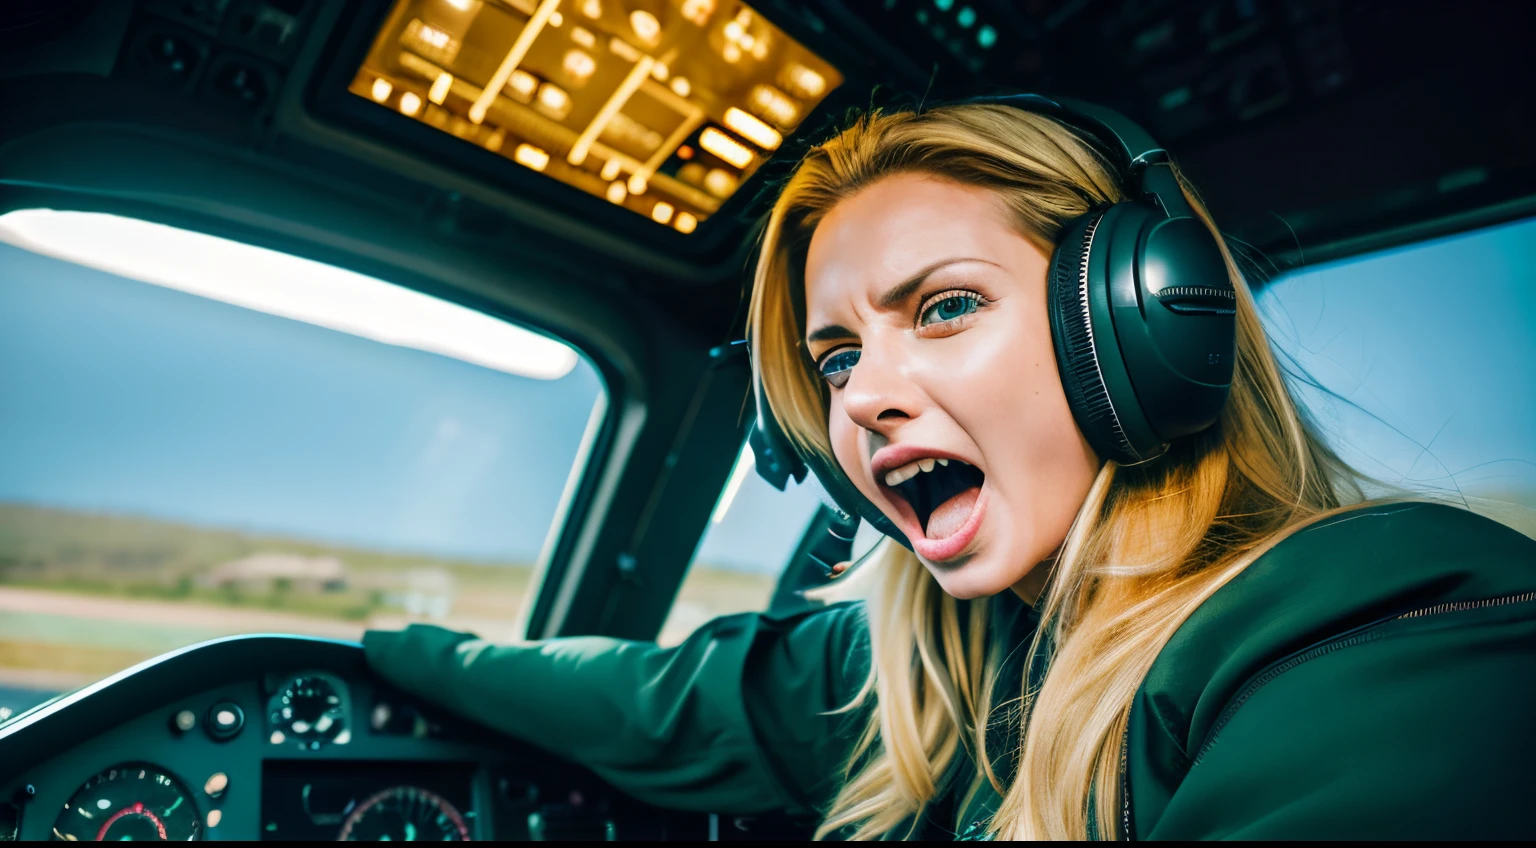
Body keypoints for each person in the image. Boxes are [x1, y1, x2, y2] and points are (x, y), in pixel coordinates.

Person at [363, 98, 1536, 840]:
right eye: (835, 356)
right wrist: (390, 655)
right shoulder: (945, 657)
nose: (862, 397)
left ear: (1137, 320)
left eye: (946, 305)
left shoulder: (1396, 631)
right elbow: (656, 699)